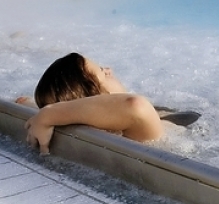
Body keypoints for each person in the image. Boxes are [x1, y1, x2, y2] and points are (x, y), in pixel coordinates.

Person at [20, 53, 165, 155]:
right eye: (104, 73)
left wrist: (36, 108)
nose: (110, 69)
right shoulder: (136, 130)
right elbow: (135, 105)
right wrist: (48, 114)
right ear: (99, 97)